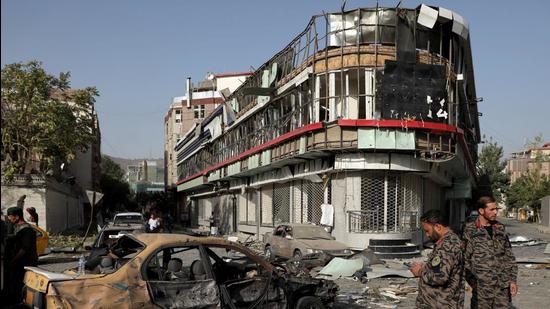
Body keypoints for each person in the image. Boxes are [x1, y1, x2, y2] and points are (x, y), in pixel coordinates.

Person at [463, 196, 518, 309]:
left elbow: (509, 256)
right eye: (492, 209)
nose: (495, 212)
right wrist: (473, 282)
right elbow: (464, 259)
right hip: (481, 290)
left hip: (502, 289)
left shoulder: (500, 228)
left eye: (496, 209)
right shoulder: (470, 230)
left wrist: (512, 280)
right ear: (481, 211)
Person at [409, 209, 464, 308]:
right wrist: (427, 267)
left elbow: (439, 277)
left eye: (427, 231)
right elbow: (442, 267)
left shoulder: (447, 246)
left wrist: (419, 271)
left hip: (439, 304)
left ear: (438, 227)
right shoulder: (449, 241)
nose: (427, 235)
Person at [5, 206, 38, 304]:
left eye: (10, 217)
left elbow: (24, 249)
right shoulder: (17, 228)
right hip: (20, 263)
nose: (10, 219)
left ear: (16, 217)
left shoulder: (26, 229)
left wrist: (14, 260)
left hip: (26, 263)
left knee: (23, 286)